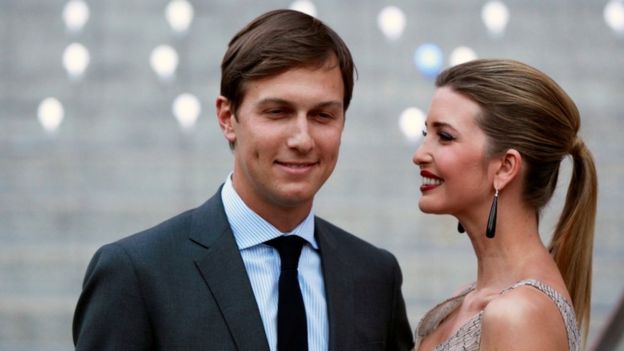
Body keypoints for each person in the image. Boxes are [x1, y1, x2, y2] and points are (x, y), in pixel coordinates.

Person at [72, 9, 414, 351]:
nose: (302, 139)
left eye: (323, 115)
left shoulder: (375, 275)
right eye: (277, 112)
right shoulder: (136, 273)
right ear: (227, 118)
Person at [411, 59, 597, 351]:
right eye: (426, 135)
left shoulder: (519, 315)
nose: (419, 154)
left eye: (444, 136)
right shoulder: (466, 301)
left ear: (505, 167)